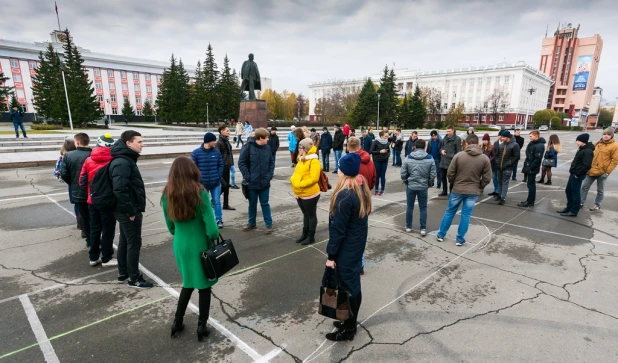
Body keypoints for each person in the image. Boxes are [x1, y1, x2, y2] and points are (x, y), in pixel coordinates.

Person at [162, 157, 220, 341]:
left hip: (181, 242)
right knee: (204, 286)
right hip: (199, 243)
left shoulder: (167, 194)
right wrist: (211, 237)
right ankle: (201, 326)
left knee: (188, 283)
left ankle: (177, 321)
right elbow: (212, 229)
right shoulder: (199, 192)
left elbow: (170, 226)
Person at [324, 152, 371, 342]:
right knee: (352, 284)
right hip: (355, 246)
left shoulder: (344, 196)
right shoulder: (360, 188)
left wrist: (331, 255)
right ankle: (348, 320)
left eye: (340, 167)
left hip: (347, 249)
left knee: (347, 287)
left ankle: (349, 328)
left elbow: (338, 231)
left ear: (344, 171)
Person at [110, 130, 153, 288]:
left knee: (125, 241)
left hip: (125, 209)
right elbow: (119, 189)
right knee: (133, 243)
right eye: (139, 142)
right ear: (129, 143)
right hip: (127, 210)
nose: (142, 145)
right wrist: (131, 211)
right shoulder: (122, 162)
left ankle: (123, 274)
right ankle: (134, 279)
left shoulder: (125, 159)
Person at [436, 134, 492, 246]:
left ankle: (441, 234)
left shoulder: (459, 156)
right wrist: (480, 187)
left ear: (466, 143)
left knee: (450, 211)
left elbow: (450, 173)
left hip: (458, 189)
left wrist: (454, 183)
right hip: (473, 191)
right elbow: (487, 178)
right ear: (477, 143)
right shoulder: (484, 158)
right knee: (466, 215)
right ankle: (460, 239)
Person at [79, 134, 118, 267]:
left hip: (92, 200)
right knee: (108, 229)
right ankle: (107, 258)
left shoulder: (88, 160)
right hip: (108, 201)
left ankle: (93, 257)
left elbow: (82, 181)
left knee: (95, 228)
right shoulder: (114, 160)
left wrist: (90, 192)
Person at [238, 128, 275, 234]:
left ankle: (268, 225)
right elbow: (241, 163)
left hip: (264, 182)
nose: (268, 140)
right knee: (252, 203)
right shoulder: (248, 147)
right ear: (260, 138)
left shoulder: (267, 148)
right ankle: (251, 223)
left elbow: (271, 162)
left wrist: (269, 174)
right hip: (252, 183)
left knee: (265, 203)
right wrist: (247, 176)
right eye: (266, 138)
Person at [61, 133, 92, 247]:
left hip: (77, 190)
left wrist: (73, 183)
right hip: (92, 190)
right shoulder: (92, 154)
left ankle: (87, 237)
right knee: (93, 215)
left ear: (77, 142)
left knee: (84, 215)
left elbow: (64, 174)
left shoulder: (68, 156)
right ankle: (95, 238)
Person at [401, 139, 436, 236]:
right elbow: (433, 173)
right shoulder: (430, 158)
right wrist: (429, 183)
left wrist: (406, 181)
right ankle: (423, 228)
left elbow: (403, 172)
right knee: (423, 207)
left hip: (411, 185)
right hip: (423, 186)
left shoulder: (408, 157)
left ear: (414, 147)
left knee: (410, 207)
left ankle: (408, 227)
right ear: (424, 147)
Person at [290, 138, 321, 245]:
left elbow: (314, 178)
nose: (299, 149)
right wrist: (292, 180)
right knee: (305, 214)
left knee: (311, 215)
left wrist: (300, 184)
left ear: (307, 148)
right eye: (298, 147)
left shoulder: (314, 161)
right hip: (299, 193)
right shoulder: (301, 159)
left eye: (301, 147)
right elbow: (296, 174)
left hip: (310, 193)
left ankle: (311, 236)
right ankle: (305, 234)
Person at [191, 132, 225, 228]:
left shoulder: (216, 152)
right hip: (202, 184)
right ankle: (204, 220)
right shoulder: (196, 153)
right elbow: (192, 167)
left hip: (215, 183)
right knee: (203, 203)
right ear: (208, 141)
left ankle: (219, 220)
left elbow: (221, 165)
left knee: (217, 201)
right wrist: (198, 180)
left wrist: (218, 176)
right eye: (213, 141)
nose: (215, 142)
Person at [580, 128, 618, 211]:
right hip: (591, 170)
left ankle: (597, 204)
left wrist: (607, 172)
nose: (606, 136)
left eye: (608, 134)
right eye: (604, 134)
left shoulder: (614, 146)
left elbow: (615, 160)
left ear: (612, 136)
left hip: (602, 172)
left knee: (600, 190)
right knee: (584, 187)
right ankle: (581, 202)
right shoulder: (597, 143)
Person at [557, 134, 595, 217]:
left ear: (583, 141)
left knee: (575, 193)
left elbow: (587, 165)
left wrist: (578, 174)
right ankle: (569, 207)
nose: (576, 142)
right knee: (568, 191)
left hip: (577, 175)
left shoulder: (587, 151)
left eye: (578, 141)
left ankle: (574, 211)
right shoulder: (582, 149)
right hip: (574, 173)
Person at [55, 138, 81, 229]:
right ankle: (83, 223)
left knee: (77, 204)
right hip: (82, 183)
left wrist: (70, 182)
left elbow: (63, 173)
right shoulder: (81, 155)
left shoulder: (65, 158)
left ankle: (80, 223)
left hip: (73, 184)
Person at [517, 131, 545, 207]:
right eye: (529, 136)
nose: (530, 137)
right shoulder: (532, 143)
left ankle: (530, 201)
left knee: (531, 185)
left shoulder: (539, 145)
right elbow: (528, 153)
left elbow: (537, 159)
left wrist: (530, 167)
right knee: (530, 185)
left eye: (531, 136)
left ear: (536, 136)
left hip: (532, 168)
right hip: (529, 165)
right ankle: (529, 200)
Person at [494, 130, 520, 205]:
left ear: (507, 137)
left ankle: (503, 197)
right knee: (499, 181)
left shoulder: (515, 145)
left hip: (508, 168)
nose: (501, 138)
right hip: (499, 167)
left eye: (503, 137)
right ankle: (499, 194)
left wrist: (509, 163)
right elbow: (497, 155)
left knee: (505, 182)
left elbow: (516, 157)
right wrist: (497, 163)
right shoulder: (501, 145)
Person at [216, 126, 236, 212]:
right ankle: (213, 200)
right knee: (224, 186)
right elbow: (218, 156)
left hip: (227, 166)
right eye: (227, 131)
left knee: (227, 186)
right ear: (222, 131)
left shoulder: (226, 141)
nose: (229, 132)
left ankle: (226, 204)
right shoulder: (219, 142)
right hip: (222, 167)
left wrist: (230, 163)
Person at [438, 126, 462, 196]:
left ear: (453, 131)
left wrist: (453, 157)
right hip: (443, 161)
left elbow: (458, 151)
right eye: (447, 131)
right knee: (443, 177)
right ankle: (444, 191)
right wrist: (441, 151)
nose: (448, 133)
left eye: (449, 131)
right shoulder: (444, 138)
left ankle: (452, 192)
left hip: (451, 162)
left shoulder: (457, 139)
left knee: (451, 178)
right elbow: (440, 148)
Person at [370, 130, 390, 196]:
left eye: (387, 136)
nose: (386, 138)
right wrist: (380, 151)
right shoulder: (376, 142)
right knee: (377, 175)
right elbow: (371, 151)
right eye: (385, 136)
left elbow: (389, 151)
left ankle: (382, 189)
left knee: (383, 175)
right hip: (377, 160)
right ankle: (376, 189)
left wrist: (387, 155)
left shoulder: (387, 142)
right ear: (381, 136)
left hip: (384, 160)